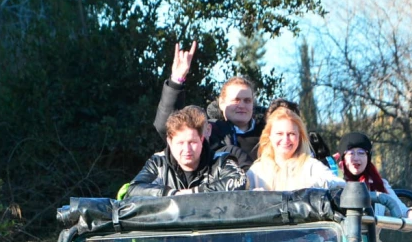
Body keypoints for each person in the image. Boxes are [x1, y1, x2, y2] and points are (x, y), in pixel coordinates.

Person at [154, 41, 266, 170]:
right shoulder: (209, 130)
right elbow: (167, 127)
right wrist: (177, 80)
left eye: (247, 100)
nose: (241, 105)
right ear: (222, 103)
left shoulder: (269, 132)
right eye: (235, 100)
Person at [124, 106, 247, 197]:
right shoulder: (158, 163)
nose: (187, 149)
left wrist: (195, 192)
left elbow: (240, 180)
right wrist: (171, 193)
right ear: (170, 142)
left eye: (192, 142)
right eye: (180, 143)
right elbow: (134, 189)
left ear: (201, 140)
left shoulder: (221, 160)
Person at [330, 132, 412, 220]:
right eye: (351, 153)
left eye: (361, 153)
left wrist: (410, 213)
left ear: (368, 157)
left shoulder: (378, 185)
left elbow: (400, 210)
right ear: (342, 158)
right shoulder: (332, 183)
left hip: (371, 233)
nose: (356, 158)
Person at [246, 108, 337, 190]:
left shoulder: (311, 167)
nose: (286, 140)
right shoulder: (257, 170)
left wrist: (318, 187)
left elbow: (339, 185)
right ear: (269, 136)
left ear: (300, 137)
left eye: (291, 134)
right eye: (279, 134)